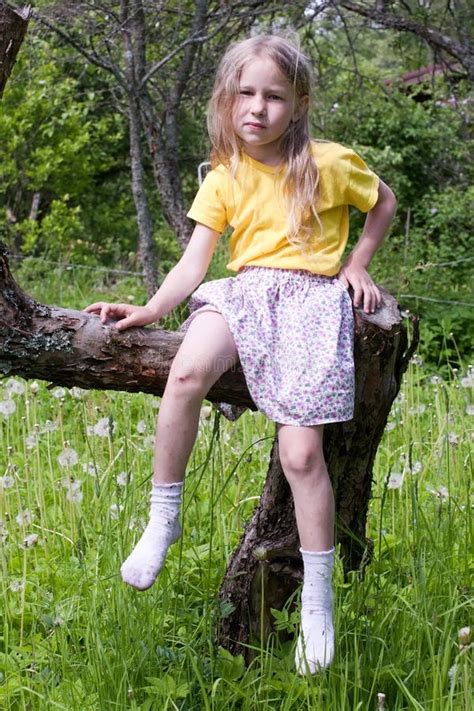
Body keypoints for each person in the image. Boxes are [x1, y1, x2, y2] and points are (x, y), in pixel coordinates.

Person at [85, 34, 397, 674]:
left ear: (299, 101)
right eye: (245, 94)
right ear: (226, 101)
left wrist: (358, 264)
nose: (258, 107)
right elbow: (195, 261)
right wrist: (149, 309)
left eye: (274, 95)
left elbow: (384, 203)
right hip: (246, 294)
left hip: (313, 302)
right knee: (187, 372)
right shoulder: (225, 175)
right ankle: (162, 519)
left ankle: (317, 601)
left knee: (302, 453)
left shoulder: (331, 162)